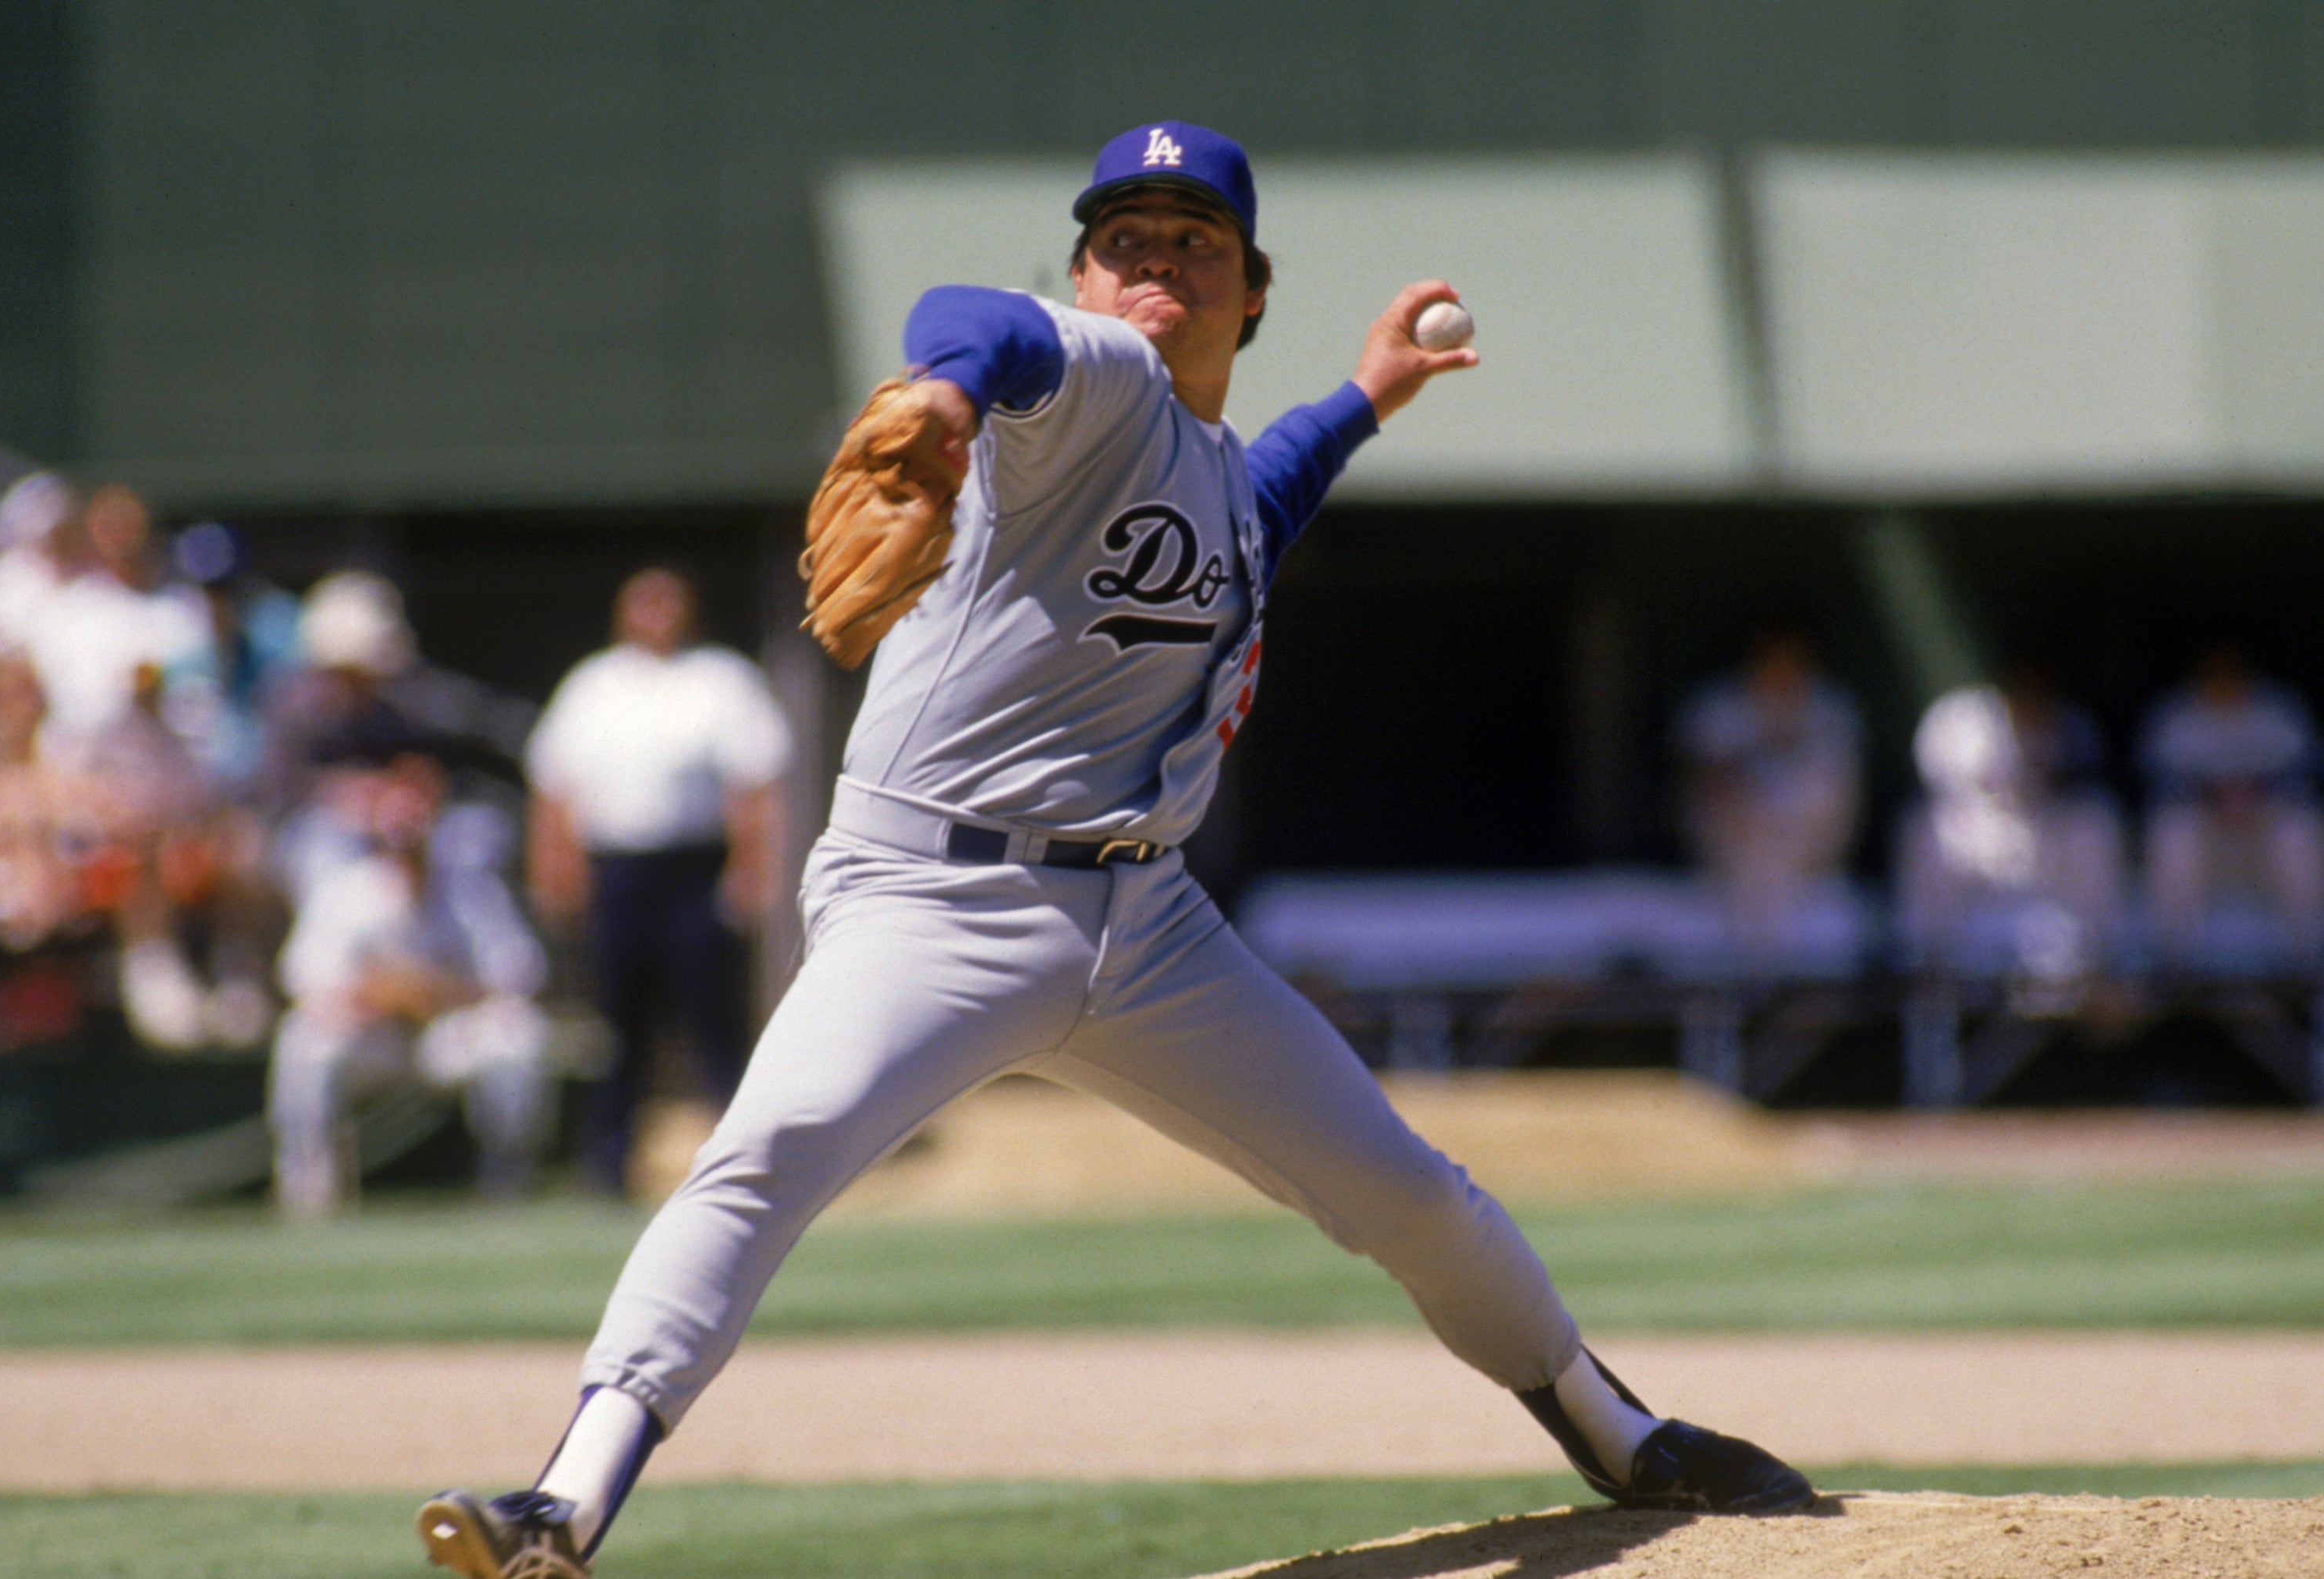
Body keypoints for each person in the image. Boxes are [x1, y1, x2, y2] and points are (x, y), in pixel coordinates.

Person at [418, 120, 1810, 1579]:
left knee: (1403, 1188)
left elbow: (1258, 495)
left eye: (1192, 241)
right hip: (933, 899)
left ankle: (1615, 1429)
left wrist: (1364, 395)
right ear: (1083, 274)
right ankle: (564, 1502)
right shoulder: (1091, 374)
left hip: (1148, 923)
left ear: (1250, 291)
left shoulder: (1207, 471)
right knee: (759, 1160)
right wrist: (948, 403)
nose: (1154, 260)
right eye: (1122, 239)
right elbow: (970, 321)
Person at [523, 566, 793, 1194]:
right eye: (641, 602)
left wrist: (752, 871)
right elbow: (554, 789)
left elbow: (753, 785)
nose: (654, 615)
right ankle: (609, 1166)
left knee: (713, 1019)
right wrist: (556, 874)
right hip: (618, 873)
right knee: (619, 1028)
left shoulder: (721, 680)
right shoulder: (592, 686)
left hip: (694, 871)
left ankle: (745, 1160)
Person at [267, 752, 553, 1218]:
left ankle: (508, 1175)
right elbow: (303, 977)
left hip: (445, 1035)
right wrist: (379, 992)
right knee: (305, 1038)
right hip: (375, 1037)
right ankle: (309, 1181)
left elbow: (520, 973)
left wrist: (435, 990)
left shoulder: (470, 890)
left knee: (518, 1034)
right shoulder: (348, 888)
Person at [1896, 667, 2129, 979]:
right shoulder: (1957, 719)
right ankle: (1927, 977)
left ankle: (2101, 977)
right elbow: (1937, 789)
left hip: (2044, 848)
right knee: (1928, 835)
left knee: (2095, 826)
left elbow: (2076, 785)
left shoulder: (2071, 727)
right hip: (1975, 835)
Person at [1674, 628, 1863, 968]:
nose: (1783, 670)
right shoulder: (1720, 707)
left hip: (1809, 867)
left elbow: (1838, 798)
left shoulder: (1831, 709)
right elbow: (1707, 786)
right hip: (1729, 867)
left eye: (1792, 660)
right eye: (1774, 660)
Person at [2138, 642, 2324, 972]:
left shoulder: (2276, 711)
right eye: (2214, 671)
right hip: (2207, 841)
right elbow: (2157, 780)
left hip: (2263, 837)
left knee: (2301, 829)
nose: (2222, 678)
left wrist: (2256, 796)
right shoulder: (2177, 717)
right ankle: (2177, 962)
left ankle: (2305, 960)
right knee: (2172, 832)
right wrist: (2212, 797)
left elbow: (2305, 771)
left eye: (2230, 669)